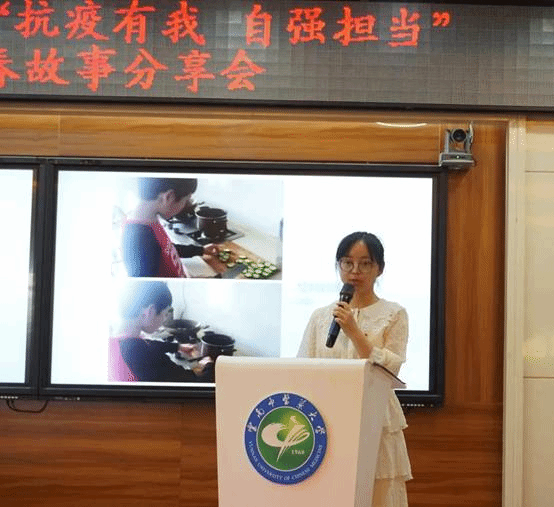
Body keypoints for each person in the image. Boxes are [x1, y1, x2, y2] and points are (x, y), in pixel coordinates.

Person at [297, 231, 412, 507]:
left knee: (377, 492)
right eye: (347, 263)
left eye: (365, 264)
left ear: (379, 268)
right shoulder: (321, 316)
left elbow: (392, 368)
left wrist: (354, 332)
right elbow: (302, 368)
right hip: (328, 416)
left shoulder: (394, 314)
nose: (355, 271)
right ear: (339, 266)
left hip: (375, 416)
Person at [108, 280, 213, 382]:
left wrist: (178, 347)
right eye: (165, 314)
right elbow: (188, 380)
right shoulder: (146, 357)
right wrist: (206, 367)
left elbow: (149, 344)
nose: (164, 320)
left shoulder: (117, 340)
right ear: (150, 312)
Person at [121, 177, 225, 277]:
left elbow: (166, 249)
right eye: (186, 201)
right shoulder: (138, 237)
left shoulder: (149, 219)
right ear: (169, 197)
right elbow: (148, 287)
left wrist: (200, 250)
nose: (185, 205)